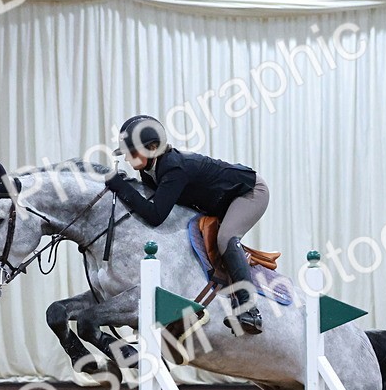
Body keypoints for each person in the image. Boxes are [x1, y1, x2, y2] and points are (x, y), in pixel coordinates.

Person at [104, 115, 267, 335]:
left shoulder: (173, 168)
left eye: (132, 152)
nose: (126, 158)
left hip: (250, 192)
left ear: (152, 148)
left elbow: (155, 215)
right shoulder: (149, 170)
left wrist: (121, 187)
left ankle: (250, 310)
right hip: (218, 201)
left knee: (225, 237)